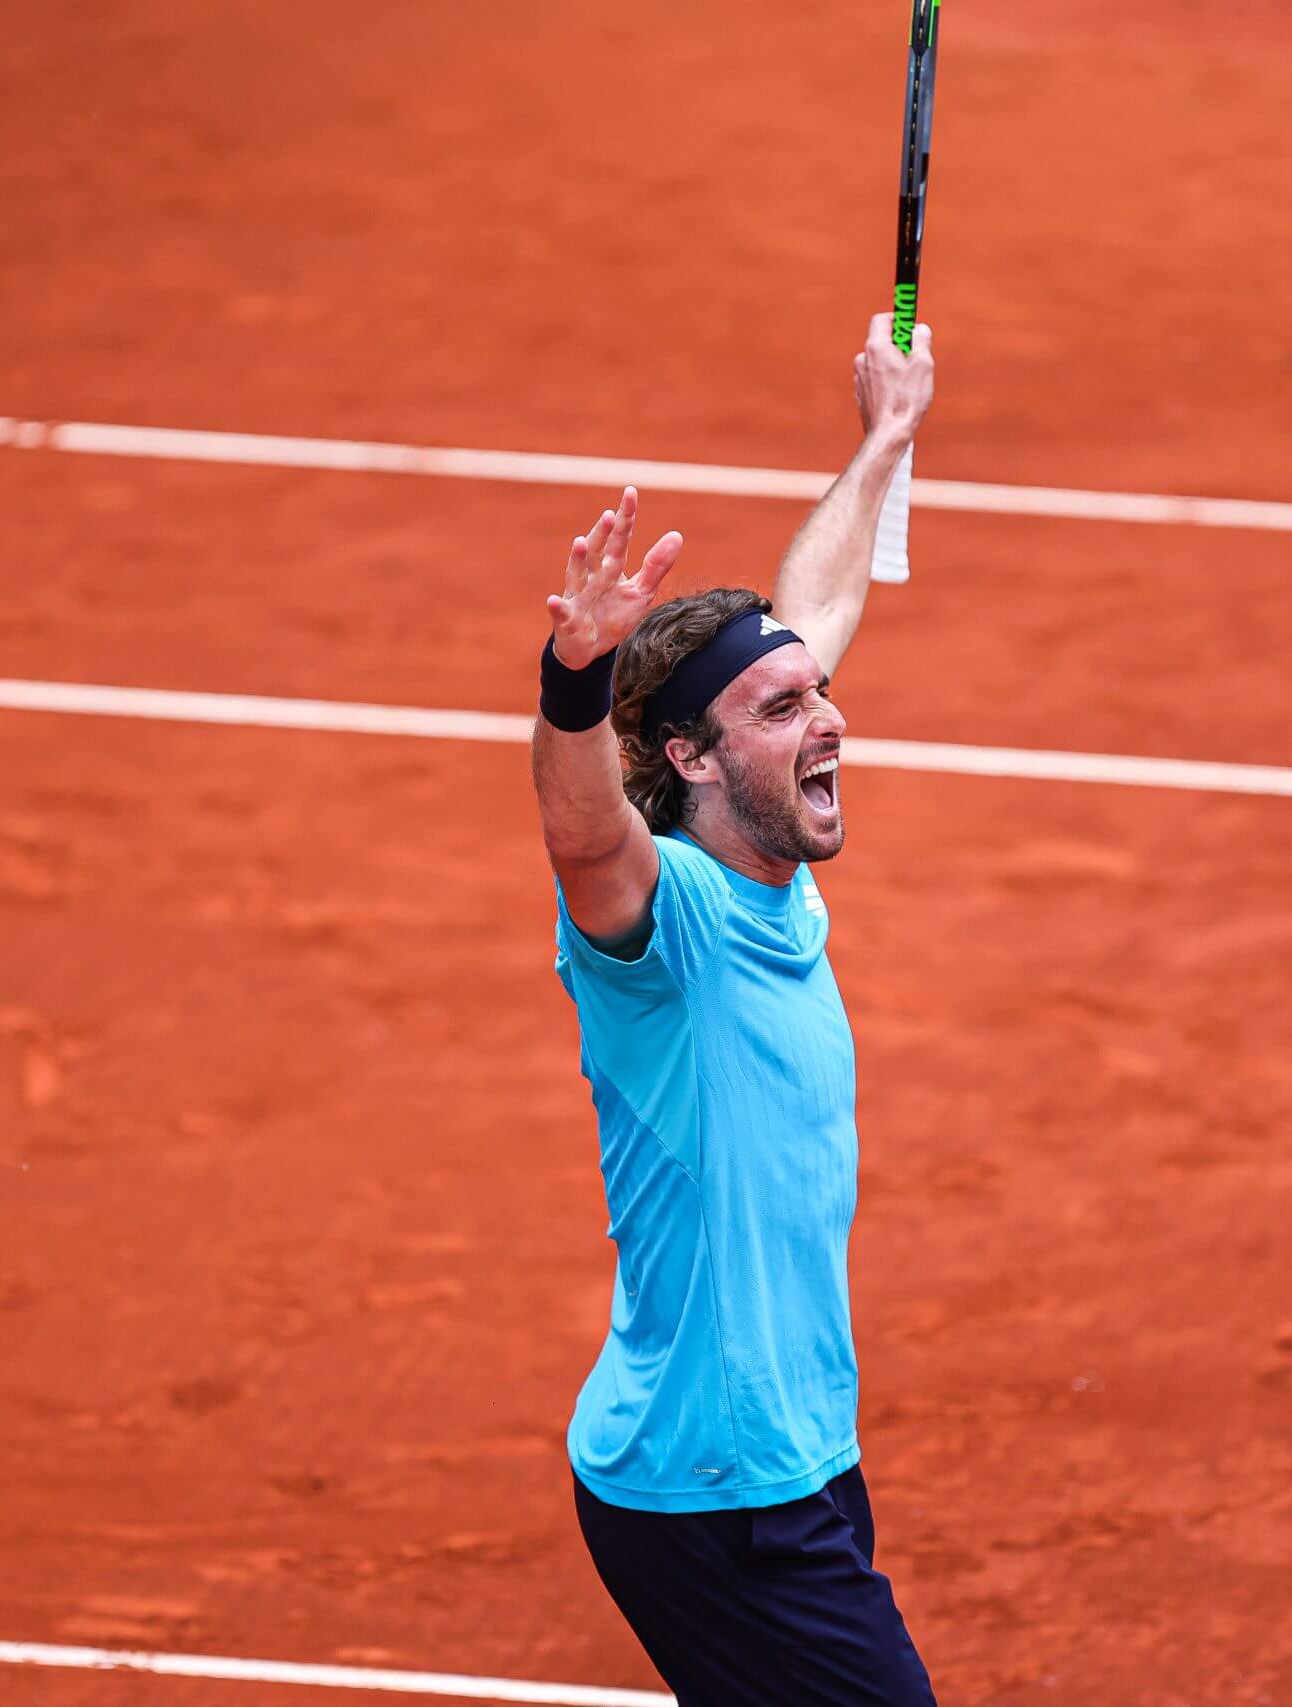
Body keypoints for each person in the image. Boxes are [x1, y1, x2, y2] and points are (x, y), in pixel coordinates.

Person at [528, 312, 939, 1706]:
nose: (828, 717)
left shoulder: (766, 835)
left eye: (816, 696)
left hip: (794, 1454)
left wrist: (880, 446)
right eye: (784, 710)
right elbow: (586, 839)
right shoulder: (673, 928)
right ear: (695, 757)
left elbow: (810, 610)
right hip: (713, 1493)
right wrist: (576, 682)